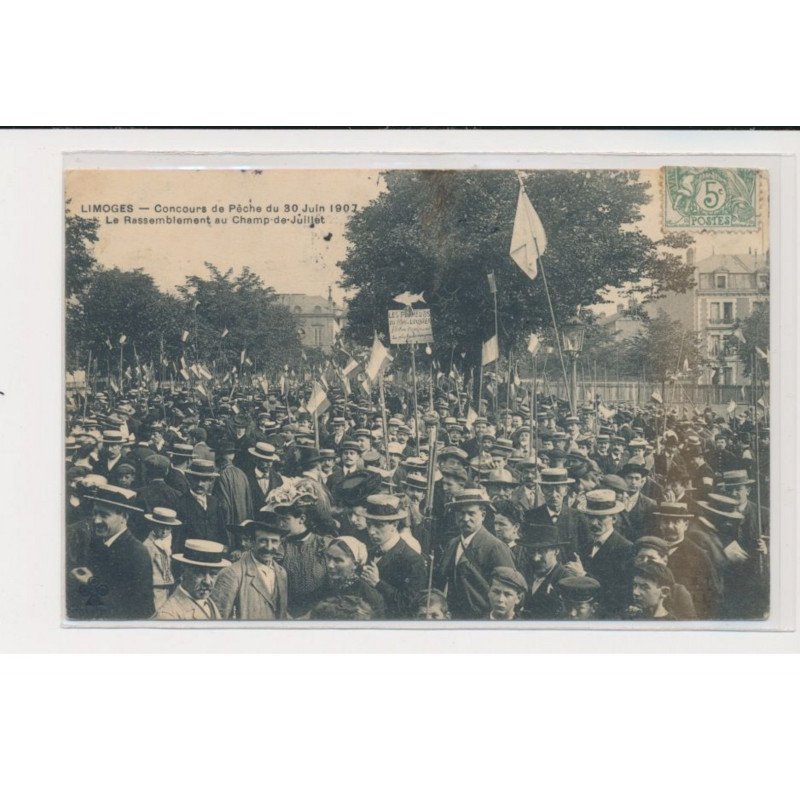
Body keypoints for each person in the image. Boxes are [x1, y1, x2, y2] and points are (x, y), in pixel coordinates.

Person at [67, 484, 154, 620]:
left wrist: (90, 582)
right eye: (95, 513)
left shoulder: (137, 553)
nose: (96, 520)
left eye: (104, 515)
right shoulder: (96, 543)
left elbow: (140, 608)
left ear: (124, 517)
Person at [437, 487, 515, 620]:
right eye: (461, 513)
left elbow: (509, 592)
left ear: (483, 515)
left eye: (471, 513)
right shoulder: (452, 544)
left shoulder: (495, 547)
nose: (465, 518)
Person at [211, 509, 289, 620]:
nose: (269, 547)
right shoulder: (232, 574)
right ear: (252, 542)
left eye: (274, 541)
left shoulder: (281, 573)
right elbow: (218, 618)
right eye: (263, 541)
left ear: (280, 542)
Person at [360, 493, 427, 619]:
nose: (371, 531)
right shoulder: (370, 551)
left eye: (379, 525)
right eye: (369, 524)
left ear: (395, 525)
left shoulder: (413, 560)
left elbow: (410, 606)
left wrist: (378, 583)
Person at [653, 501, 720, 619]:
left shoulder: (699, 556)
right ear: (660, 524)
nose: (669, 526)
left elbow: (711, 596)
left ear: (686, 525)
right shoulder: (650, 550)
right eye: (666, 521)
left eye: (675, 522)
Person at [271, 488, 332, 617]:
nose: (280, 524)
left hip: (319, 612)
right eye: (278, 520)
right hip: (286, 612)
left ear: (302, 519)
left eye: (285, 520)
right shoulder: (280, 547)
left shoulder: (323, 545)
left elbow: (332, 586)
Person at [578, 489, 633, 618]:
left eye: (600, 518)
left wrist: (583, 575)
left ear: (614, 518)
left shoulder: (626, 549)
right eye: (590, 517)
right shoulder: (585, 545)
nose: (593, 523)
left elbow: (621, 595)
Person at [155, 539, 231, 620]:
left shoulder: (208, 602)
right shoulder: (168, 615)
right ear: (183, 571)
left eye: (213, 574)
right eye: (200, 573)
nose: (207, 582)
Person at [317, 536, 386, 619]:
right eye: (328, 558)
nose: (330, 565)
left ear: (355, 564)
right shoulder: (323, 584)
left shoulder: (370, 596)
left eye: (338, 560)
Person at [516, 523, 569, 620]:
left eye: (542, 551)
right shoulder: (524, 572)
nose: (536, 558)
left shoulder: (565, 580)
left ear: (556, 551)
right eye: (531, 551)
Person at [176, 459, 228, 551]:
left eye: (204, 480)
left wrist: (225, 548)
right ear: (189, 478)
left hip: (213, 554)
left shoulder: (215, 502)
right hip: (191, 555)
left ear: (211, 481)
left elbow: (222, 531)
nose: (200, 484)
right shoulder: (181, 503)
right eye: (196, 479)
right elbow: (178, 538)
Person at [141, 506, 182, 610]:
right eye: (160, 527)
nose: (164, 531)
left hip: (168, 588)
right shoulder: (147, 545)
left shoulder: (169, 542)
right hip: (154, 588)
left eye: (168, 528)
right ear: (153, 525)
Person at [213, 439, 254, 530]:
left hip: (229, 525)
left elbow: (223, 505)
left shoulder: (221, 475)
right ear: (233, 456)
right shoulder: (242, 474)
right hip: (243, 522)